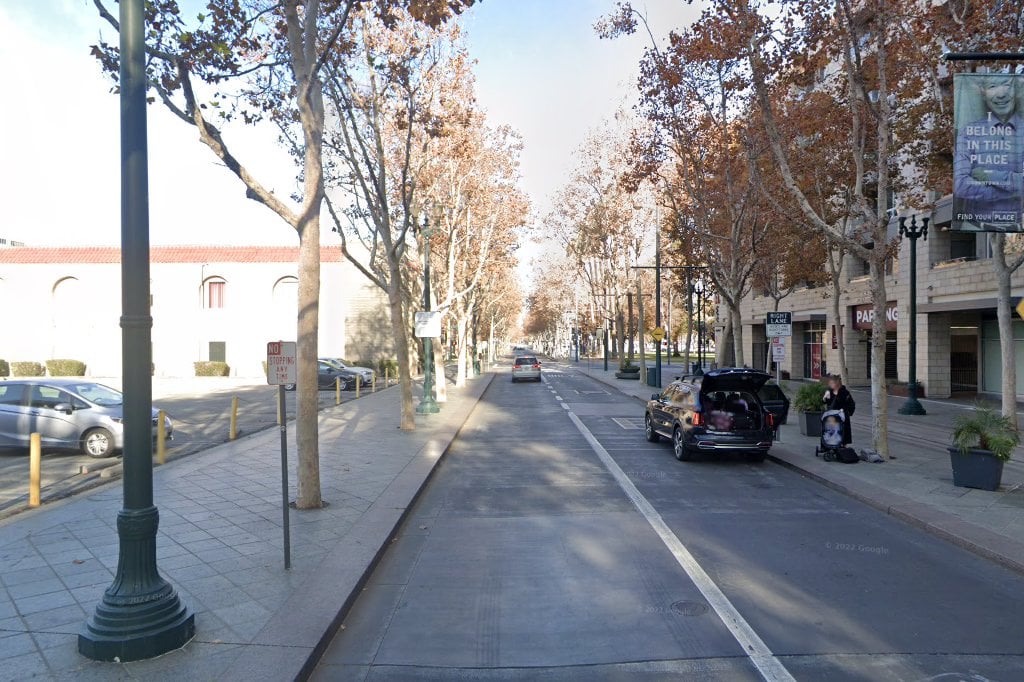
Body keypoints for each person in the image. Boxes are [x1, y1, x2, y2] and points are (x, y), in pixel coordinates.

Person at [953, 73, 1024, 232]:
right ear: (983, 95)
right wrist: (1011, 190)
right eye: (992, 86)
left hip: (1019, 228)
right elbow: (960, 185)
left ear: (1016, 90)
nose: (1001, 94)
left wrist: (990, 176)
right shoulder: (969, 133)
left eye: (1006, 84)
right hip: (974, 225)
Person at [822, 374, 855, 446]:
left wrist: (848, 412)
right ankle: (828, 443)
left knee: (843, 429)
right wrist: (825, 398)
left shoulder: (845, 392)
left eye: (832, 383)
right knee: (829, 428)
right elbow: (826, 402)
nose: (830, 385)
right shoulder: (829, 392)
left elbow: (851, 403)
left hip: (842, 415)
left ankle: (843, 443)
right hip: (831, 415)